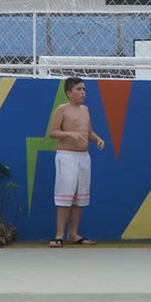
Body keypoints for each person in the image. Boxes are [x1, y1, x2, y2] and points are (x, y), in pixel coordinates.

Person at [46, 75, 105, 246]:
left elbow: (89, 131)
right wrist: (69, 134)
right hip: (67, 157)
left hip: (84, 157)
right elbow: (53, 132)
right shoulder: (62, 110)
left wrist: (97, 139)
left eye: (84, 89)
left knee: (80, 196)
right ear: (69, 93)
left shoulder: (85, 110)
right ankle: (59, 235)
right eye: (79, 89)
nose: (83, 92)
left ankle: (74, 233)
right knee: (65, 195)